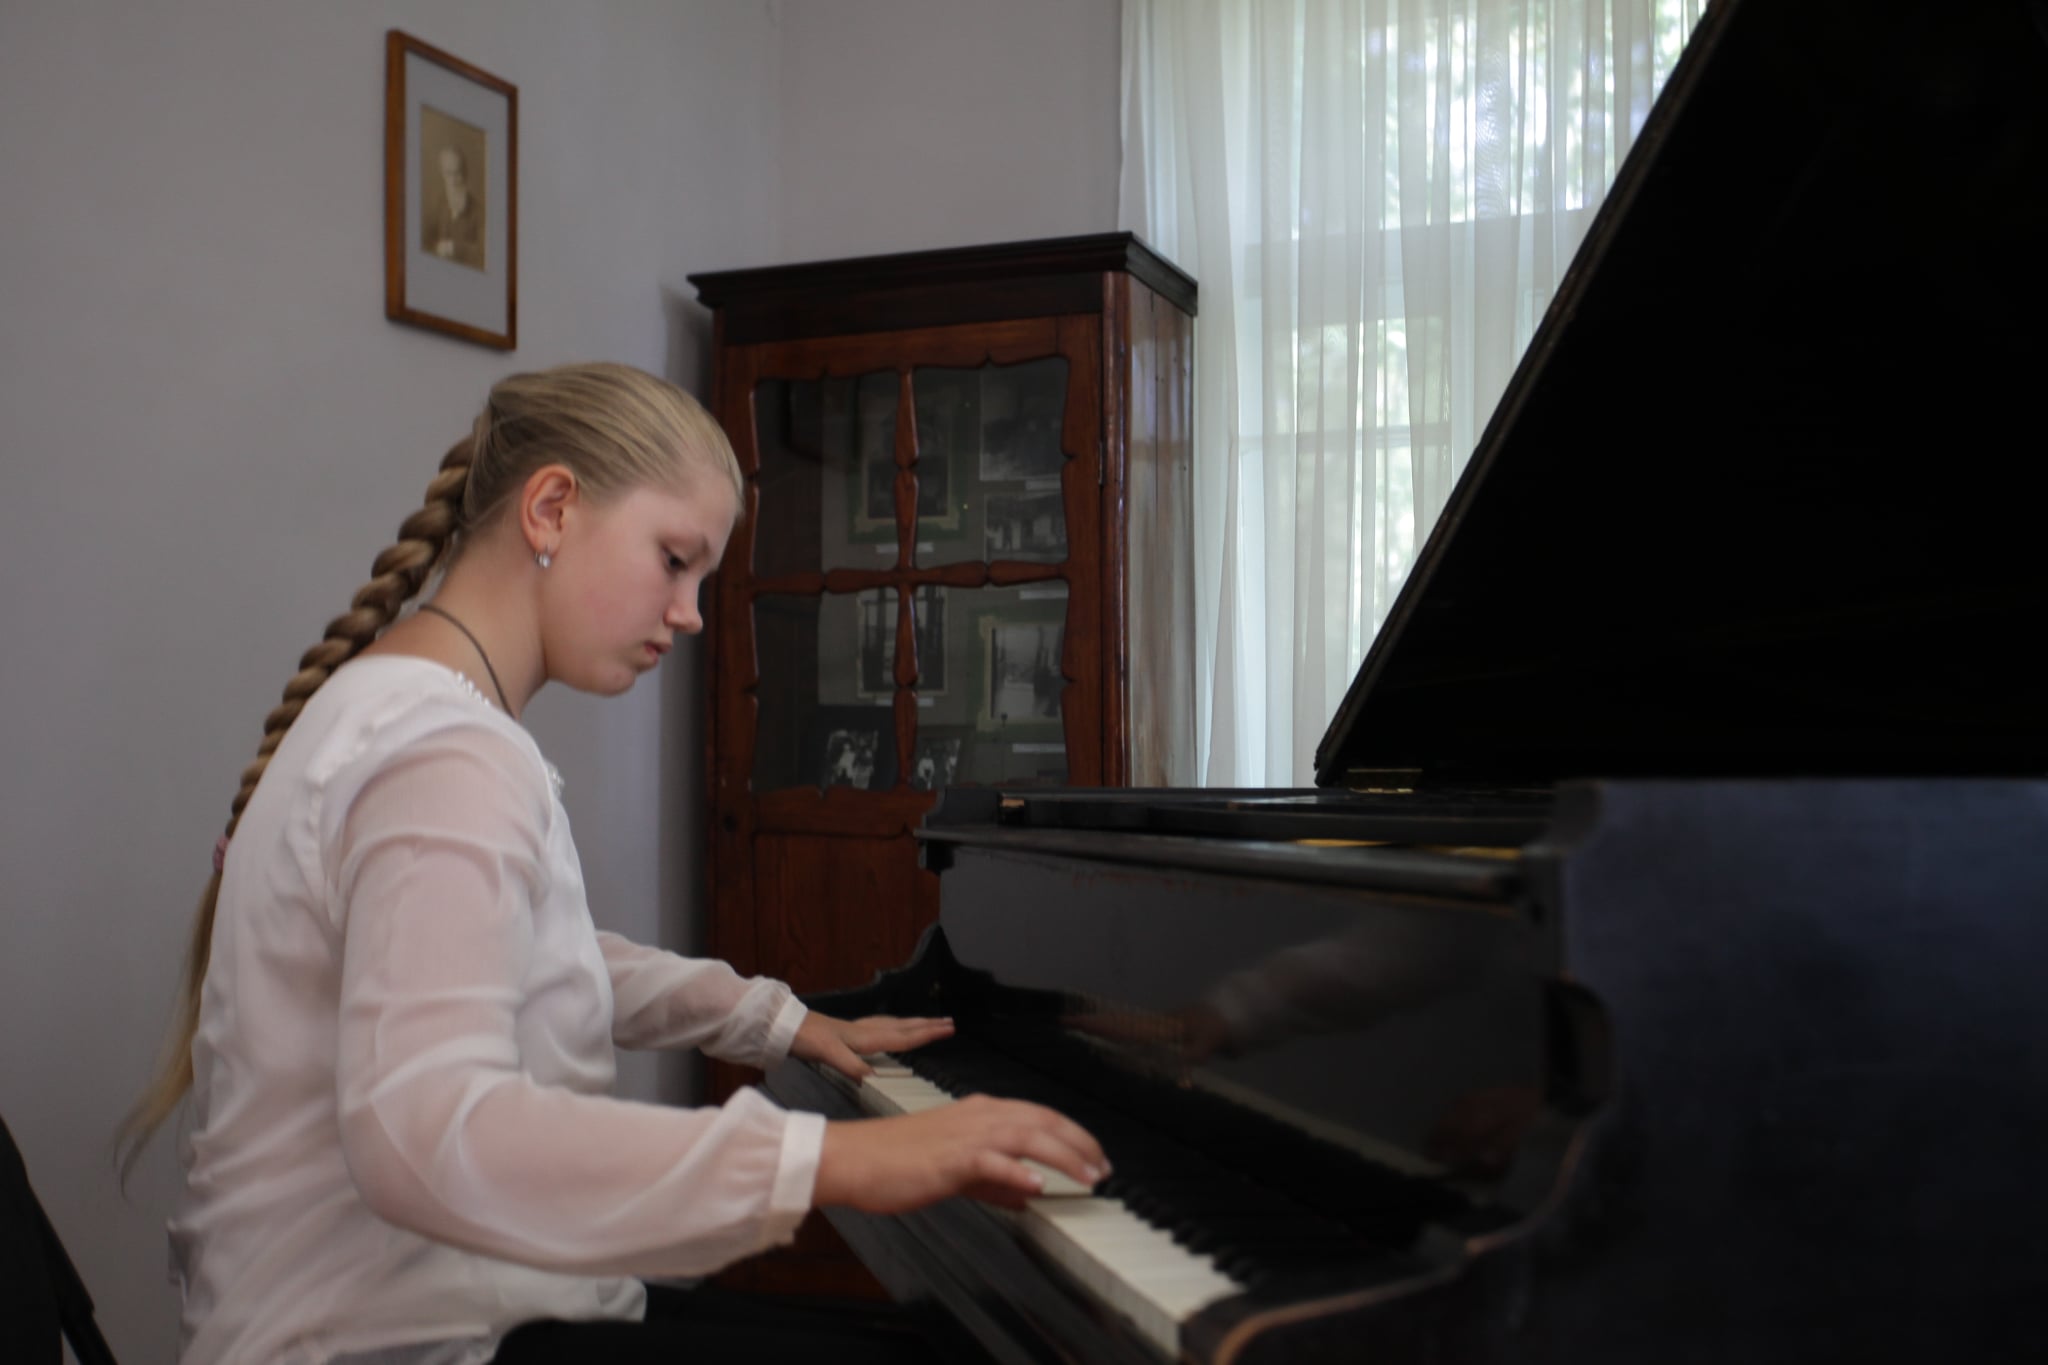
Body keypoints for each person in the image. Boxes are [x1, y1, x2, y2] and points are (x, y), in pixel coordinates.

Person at [118, 362, 1106, 1365]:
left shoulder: (398, 710)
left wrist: (773, 1019)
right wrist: (840, 1158)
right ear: (551, 508)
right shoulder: (444, 755)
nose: (691, 613)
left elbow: (529, 956)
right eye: (674, 560)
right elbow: (428, 1139)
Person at [423, 145, 483, 269]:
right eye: (448, 173)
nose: (453, 180)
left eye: (457, 173)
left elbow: (484, 252)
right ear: (442, 174)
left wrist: (453, 247)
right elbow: (424, 242)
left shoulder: (478, 211)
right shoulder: (436, 205)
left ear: (465, 174)